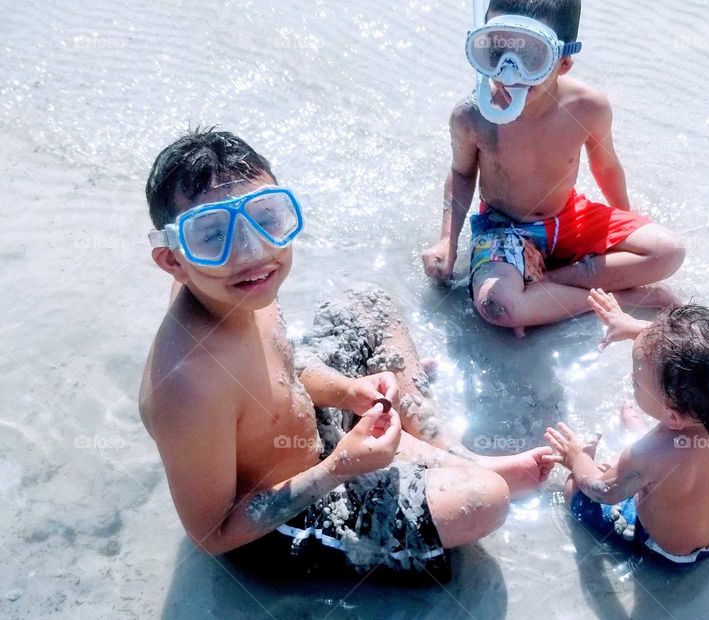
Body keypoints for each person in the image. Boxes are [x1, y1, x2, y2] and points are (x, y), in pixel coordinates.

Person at [139, 128, 554, 578]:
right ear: (173, 261)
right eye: (211, 236)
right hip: (281, 520)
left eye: (267, 218)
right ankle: (423, 462)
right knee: (486, 499)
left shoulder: (240, 287)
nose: (252, 250)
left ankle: (451, 451)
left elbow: (280, 366)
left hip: (311, 436)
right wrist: (339, 468)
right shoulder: (186, 386)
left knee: (366, 303)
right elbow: (211, 533)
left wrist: (347, 390)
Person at [422, 0, 685, 337]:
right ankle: (619, 297)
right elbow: (462, 173)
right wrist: (447, 240)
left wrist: (625, 216)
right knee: (499, 307)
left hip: (569, 218)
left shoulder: (587, 106)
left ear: (562, 62)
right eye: (498, 51)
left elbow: (606, 165)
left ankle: (552, 282)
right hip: (504, 229)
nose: (509, 71)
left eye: (530, 58)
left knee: (668, 251)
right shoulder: (473, 116)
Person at [545, 290, 709, 564]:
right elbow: (696, 360)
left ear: (673, 418)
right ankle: (642, 445)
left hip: (670, 553)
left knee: (575, 490)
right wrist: (633, 328)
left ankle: (618, 455)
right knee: (668, 458)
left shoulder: (648, 455)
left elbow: (603, 491)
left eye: (636, 383)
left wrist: (577, 459)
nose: (634, 383)